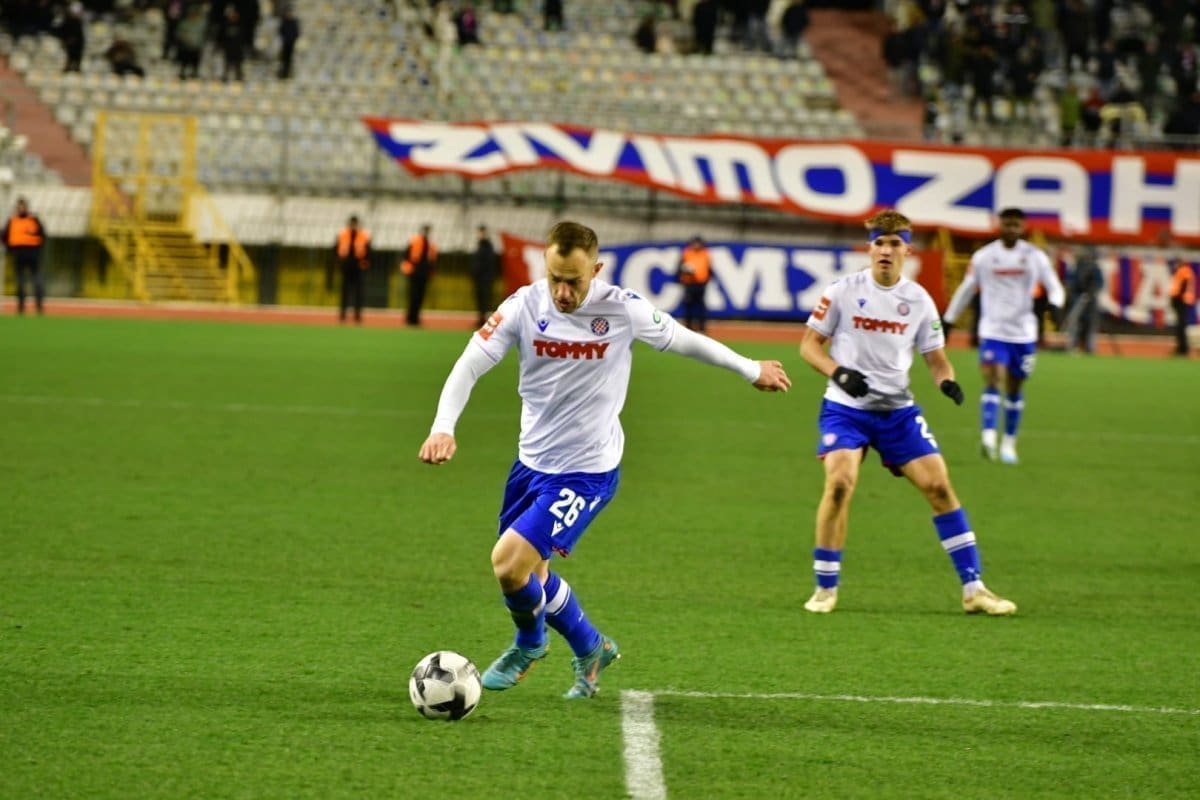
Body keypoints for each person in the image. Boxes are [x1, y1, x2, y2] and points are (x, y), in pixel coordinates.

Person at [418, 221, 790, 699]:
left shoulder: (622, 309)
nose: (562, 292)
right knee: (533, 575)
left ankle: (529, 644)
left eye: (573, 281)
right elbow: (470, 363)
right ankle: (592, 648)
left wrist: (750, 368)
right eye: (555, 278)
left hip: (587, 471)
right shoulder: (523, 305)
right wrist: (443, 426)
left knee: (508, 565)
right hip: (531, 463)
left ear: (596, 270)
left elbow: (684, 339)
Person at [798, 209, 1016, 617]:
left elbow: (936, 359)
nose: (885, 250)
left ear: (907, 250)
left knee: (939, 487)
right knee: (840, 483)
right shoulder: (842, 291)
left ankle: (974, 589)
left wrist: (947, 381)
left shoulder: (918, 300)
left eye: (894, 243)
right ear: (870, 248)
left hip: (897, 413)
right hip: (846, 410)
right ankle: (825, 588)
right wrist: (838, 373)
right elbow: (809, 346)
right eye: (879, 243)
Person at [942, 208, 1064, 465]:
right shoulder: (984, 257)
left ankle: (1009, 442)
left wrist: (1056, 304)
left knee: (1015, 387)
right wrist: (949, 319)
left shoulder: (1034, 256)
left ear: (1023, 227)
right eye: (1007, 224)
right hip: (993, 330)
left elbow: (1054, 286)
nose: (1011, 229)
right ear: (999, 225)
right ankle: (988, 438)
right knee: (993, 379)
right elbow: (967, 289)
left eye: (1016, 225)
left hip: (1023, 333)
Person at [3, 197, 47, 315]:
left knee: (37, 280)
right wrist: (10, 250)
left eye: (23, 206)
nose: (21, 209)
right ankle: (21, 307)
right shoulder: (12, 221)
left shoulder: (34, 220)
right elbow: (4, 236)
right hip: (19, 255)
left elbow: (42, 235)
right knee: (20, 281)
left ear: (27, 207)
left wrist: (38, 250)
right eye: (19, 207)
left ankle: (39, 306)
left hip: (33, 254)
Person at [1063, 246, 1104, 354]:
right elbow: (1070, 281)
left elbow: (1099, 283)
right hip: (1077, 298)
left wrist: (1090, 292)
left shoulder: (1094, 268)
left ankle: (1090, 347)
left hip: (1090, 300)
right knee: (1073, 321)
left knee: (1091, 323)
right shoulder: (1075, 267)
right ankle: (1072, 345)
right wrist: (1074, 291)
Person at [334, 215, 370, 324]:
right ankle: (343, 315)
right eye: (352, 224)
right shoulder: (342, 234)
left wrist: (365, 263)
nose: (354, 226)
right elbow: (336, 249)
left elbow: (368, 251)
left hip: (358, 265)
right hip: (346, 265)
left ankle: (357, 315)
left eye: (355, 224)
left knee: (359, 291)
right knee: (345, 290)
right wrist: (339, 262)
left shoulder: (363, 235)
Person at [401, 224, 437, 326]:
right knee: (413, 295)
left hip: (424, 273)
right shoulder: (414, 241)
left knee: (421, 296)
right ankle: (410, 317)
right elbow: (406, 256)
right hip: (414, 272)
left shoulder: (431, 245)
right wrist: (407, 268)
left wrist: (431, 271)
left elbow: (433, 260)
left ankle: (416, 317)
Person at [676, 235, 711, 332]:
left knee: (701, 307)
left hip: (701, 284)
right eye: (695, 243)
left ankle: (702, 328)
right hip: (689, 283)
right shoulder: (687, 253)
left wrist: (707, 280)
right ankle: (688, 327)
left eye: (698, 243)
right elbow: (679, 267)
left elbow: (709, 268)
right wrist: (684, 271)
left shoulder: (705, 253)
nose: (696, 245)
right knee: (688, 306)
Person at [471, 224, 498, 328]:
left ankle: (484, 320)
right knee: (480, 299)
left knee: (485, 299)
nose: (480, 234)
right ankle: (481, 319)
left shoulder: (487, 247)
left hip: (485, 278)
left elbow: (487, 264)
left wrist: (485, 276)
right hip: (479, 278)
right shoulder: (480, 245)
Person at [1168, 257, 1195, 357]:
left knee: (1181, 326)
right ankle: (1181, 348)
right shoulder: (1182, 270)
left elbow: (1184, 284)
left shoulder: (1184, 270)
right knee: (1180, 326)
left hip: (1182, 301)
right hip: (1181, 301)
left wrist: (1177, 298)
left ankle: (1183, 349)